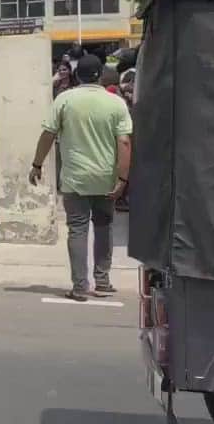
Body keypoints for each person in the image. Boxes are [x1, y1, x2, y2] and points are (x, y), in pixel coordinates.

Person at [29, 54, 133, 302]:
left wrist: (37, 164)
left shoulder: (65, 100)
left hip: (75, 179)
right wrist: (123, 179)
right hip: (106, 179)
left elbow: (48, 134)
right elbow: (125, 142)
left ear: (77, 75)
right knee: (104, 227)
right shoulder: (116, 103)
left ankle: (79, 286)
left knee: (77, 229)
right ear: (101, 75)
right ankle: (103, 281)